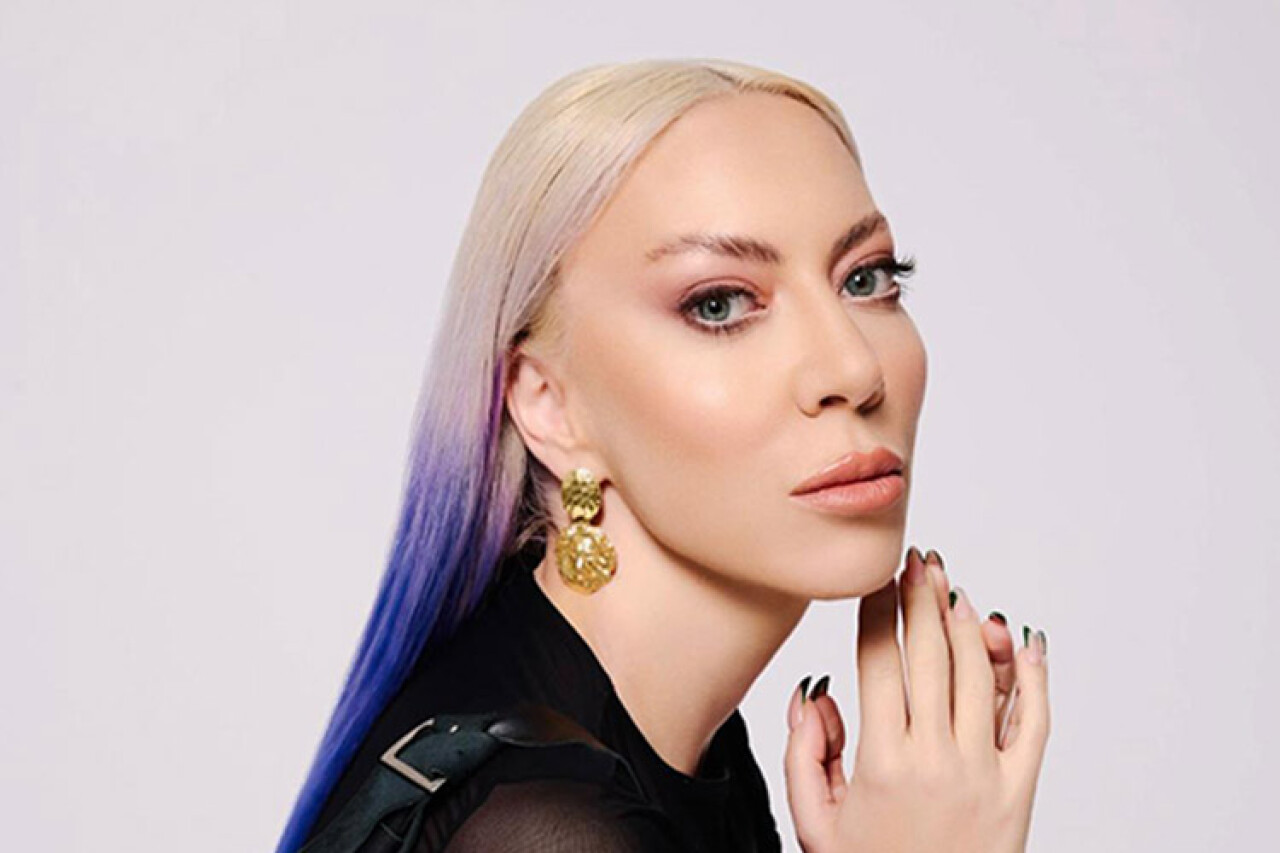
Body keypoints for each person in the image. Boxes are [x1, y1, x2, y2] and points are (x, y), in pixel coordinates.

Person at [276, 58, 1051, 853]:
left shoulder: (674, 749)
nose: (854, 369)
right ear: (550, 404)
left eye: (866, 278)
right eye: (718, 304)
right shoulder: (537, 821)